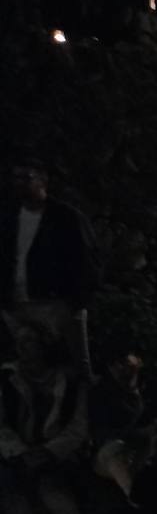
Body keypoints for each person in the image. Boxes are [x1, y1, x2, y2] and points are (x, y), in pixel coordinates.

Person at [0, 322, 89, 514]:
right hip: (19, 449)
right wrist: (18, 450)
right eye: (20, 341)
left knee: (51, 482)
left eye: (30, 341)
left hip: (57, 448)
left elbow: (77, 427)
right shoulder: (8, 378)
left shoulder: (69, 382)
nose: (23, 348)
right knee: (6, 481)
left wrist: (49, 451)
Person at [1, 160, 98, 376]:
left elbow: (85, 260)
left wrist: (73, 303)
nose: (19, 184)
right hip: (17, 303)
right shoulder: (8, 217)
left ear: (42, 180)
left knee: (75, 368)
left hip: (56, 304)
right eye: (16, 178)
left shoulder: (66, 218)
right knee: (27, 367)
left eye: (26, 178)